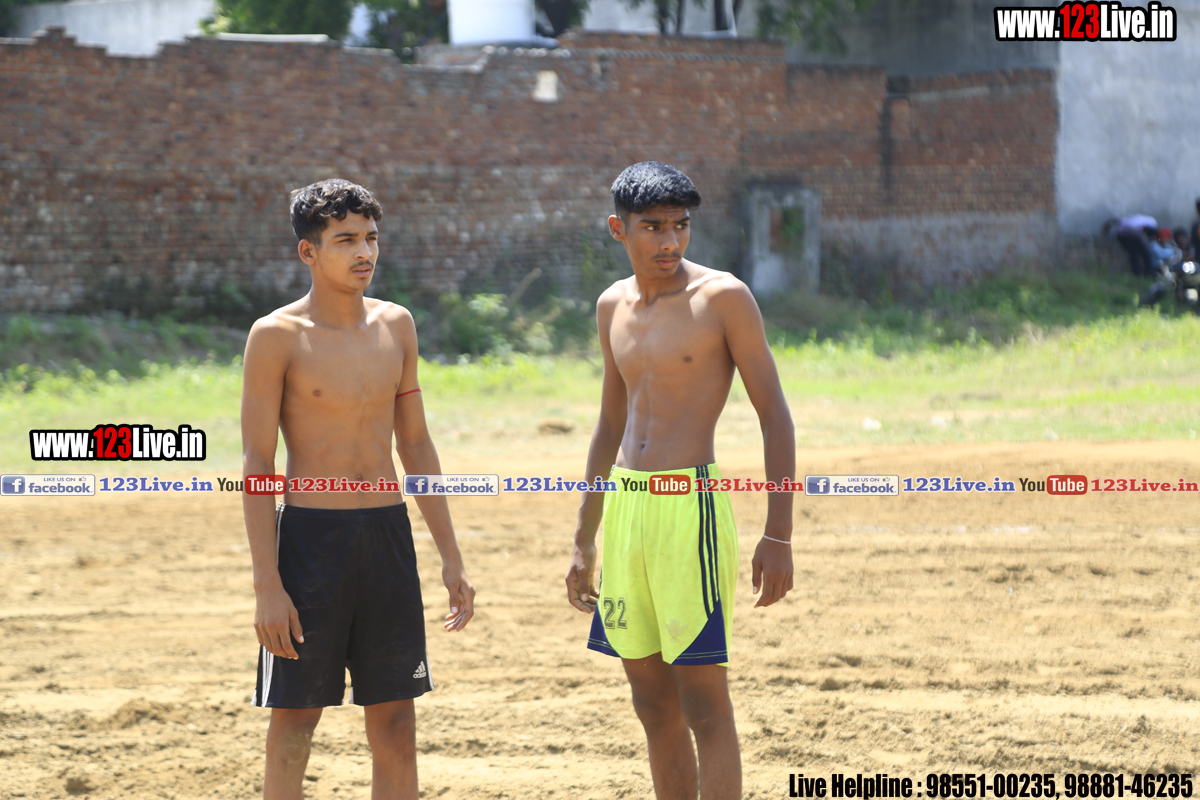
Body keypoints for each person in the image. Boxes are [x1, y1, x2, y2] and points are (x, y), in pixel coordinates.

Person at [565, 161, 795, 800]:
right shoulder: (611, 305)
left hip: (689, 510)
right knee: (650, 701)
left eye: (681, 226)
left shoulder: (722, 298)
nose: (669, 241)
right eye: (653, 228)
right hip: (627, 511)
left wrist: (779, 534)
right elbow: (609, 425)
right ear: (618, 229)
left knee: (703, 702)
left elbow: (774, 415)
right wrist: (583, 539)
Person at [241, 178, 475, 800]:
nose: (364, 252)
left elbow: (416, 445)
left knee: (396, 723)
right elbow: (258, 463)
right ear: (308, 251)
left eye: (370, 237)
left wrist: (451, 557)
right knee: (296, 722)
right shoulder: (276, 335)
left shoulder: (397, 325)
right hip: (310, 546)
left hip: (387, 539)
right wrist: (267, 585)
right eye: (345, 240)